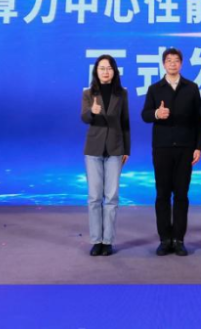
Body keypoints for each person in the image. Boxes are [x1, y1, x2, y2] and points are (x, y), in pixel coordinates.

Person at [141, 48, 201, 256]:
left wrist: (198, 147)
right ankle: (164, 239)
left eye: (176, 60)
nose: (173, 64)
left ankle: (178, 239)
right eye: (169, 60)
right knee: (162, 194)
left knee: (181, 194)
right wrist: (156, 113)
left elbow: (199, 120)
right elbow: (145, 115)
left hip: (185, 148)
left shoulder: (191, 88)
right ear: (163, 64)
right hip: (162, 148)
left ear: (181, 64)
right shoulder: (155, 89)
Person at [80, 54, 130, 256]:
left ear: (114, 71)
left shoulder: (122, 93)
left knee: (111, 197)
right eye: (102, 68)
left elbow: (125, 122)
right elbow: (84, 117)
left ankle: (107, 241)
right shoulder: (88, 93)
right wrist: (92, 111)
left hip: (115, 149)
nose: (105, 71)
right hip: (94, 149)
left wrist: (127, 149)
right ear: (96, 71)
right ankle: (96, 241)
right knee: (94, 197)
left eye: (109, 68)